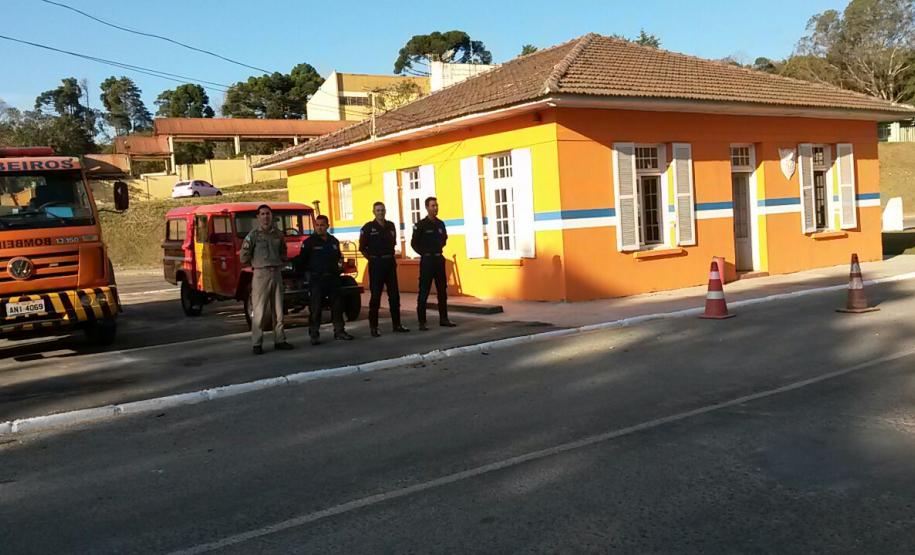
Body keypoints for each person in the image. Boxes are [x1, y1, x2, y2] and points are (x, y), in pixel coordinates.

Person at [239, 204, 293, 355]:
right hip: (261, 274)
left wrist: (280, 261)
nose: (265, 217)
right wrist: (257, 264)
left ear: (271, 215)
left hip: (276, 273)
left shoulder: (278, 234)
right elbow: (244, 256)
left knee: (279, 310)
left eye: (268, 214)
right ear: (258, 217)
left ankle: (280, 340)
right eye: (262, 214)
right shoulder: (253, 235)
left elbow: (283, 251)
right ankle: (257, 343)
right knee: (260, 311)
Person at [296, 214, 354, 345]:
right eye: (317, 225)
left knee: (337, 307)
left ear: (327, 226)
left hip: (333, 278)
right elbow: (301, 262)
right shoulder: (309, 243)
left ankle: (339, 331)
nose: (320, 227)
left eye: (322, 225)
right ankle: (314, 334)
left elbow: (339, 258)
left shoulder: (333, 241)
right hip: (317, 279)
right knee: (315, 308)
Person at [360, 202, 409, 337]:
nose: (380, 212)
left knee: (394, 296)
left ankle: (397, 324)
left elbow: (393, 244)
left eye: (382, 210)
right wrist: (373, 259)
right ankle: (374, 327)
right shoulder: (368, 228)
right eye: (378, 210)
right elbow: (362, 248)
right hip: (376, 264)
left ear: (385, 211)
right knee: (375, 297)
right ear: (373, 212)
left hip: (389, 263)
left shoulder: (391, 226)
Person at [411, 196, 457, 331]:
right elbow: (414, 243)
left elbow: (444, 239)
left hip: (438, 259)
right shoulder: (421, 225)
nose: (435, 208)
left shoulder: (440, 224)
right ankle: (422, 322)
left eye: (436, 205)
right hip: (427, 261)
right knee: (424, 291)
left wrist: (436, 250)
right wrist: (425, 253)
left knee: (442, 290)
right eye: (433, 206)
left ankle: (444, 318)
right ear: (427, 207)